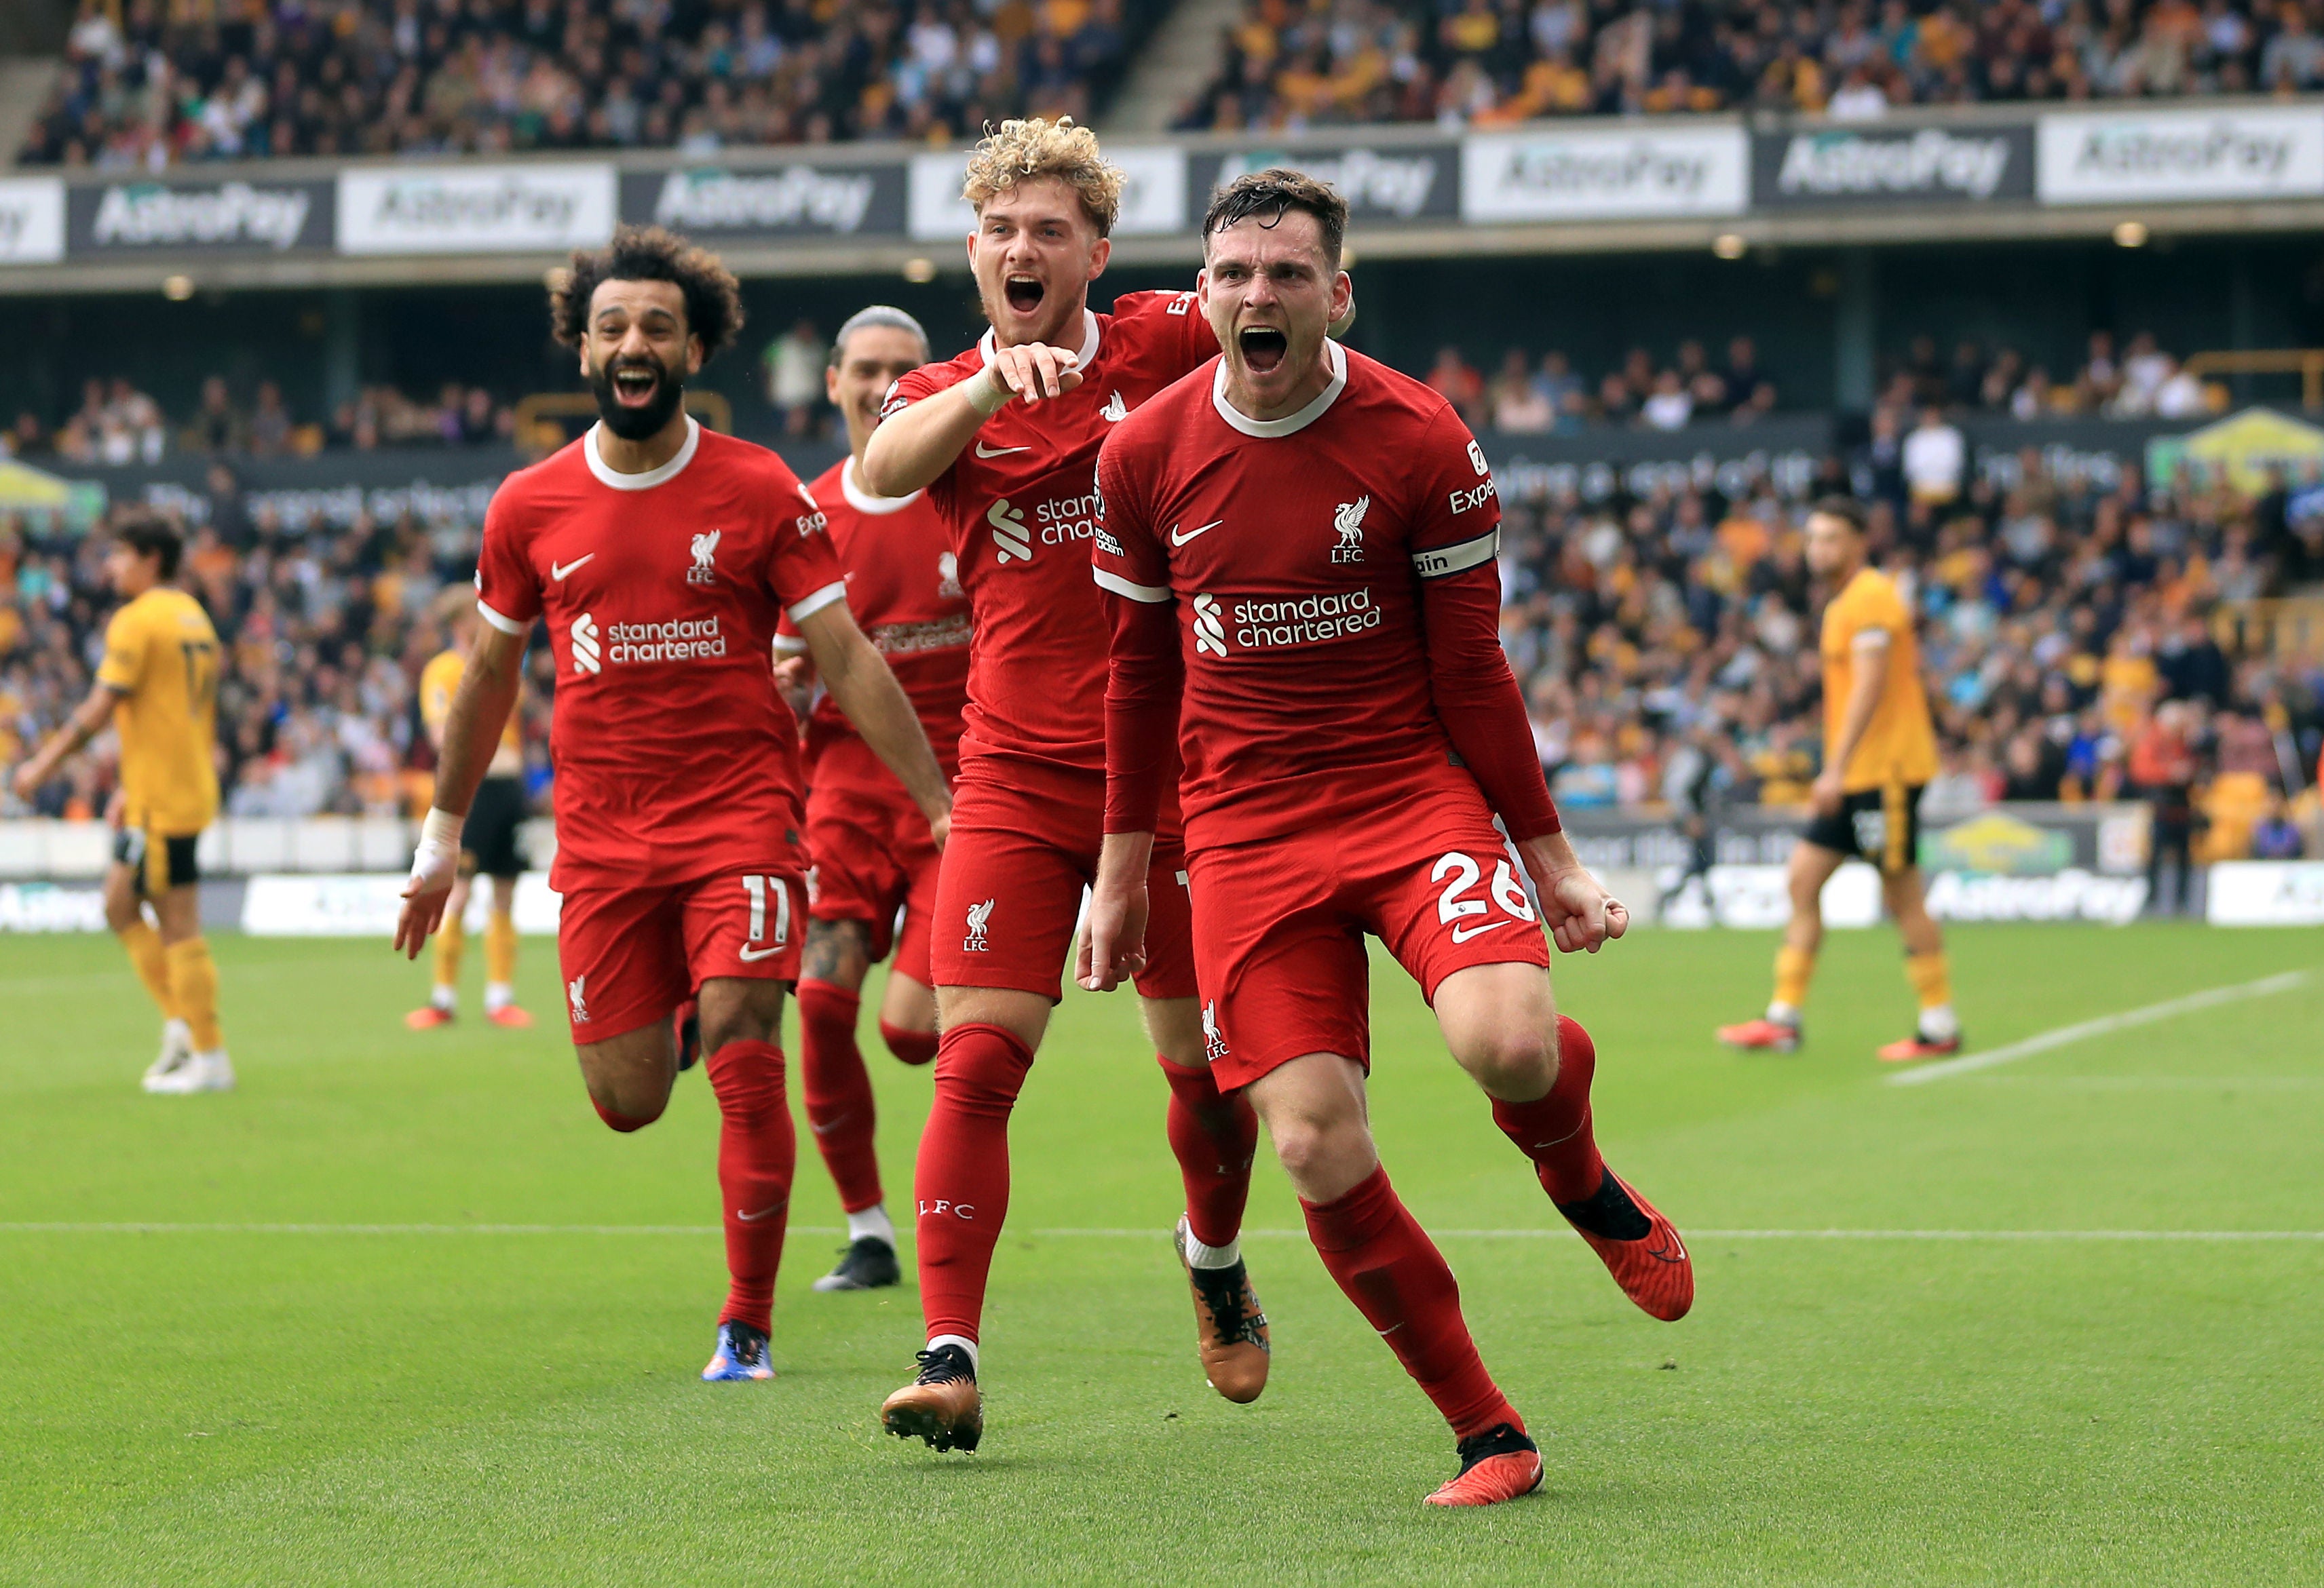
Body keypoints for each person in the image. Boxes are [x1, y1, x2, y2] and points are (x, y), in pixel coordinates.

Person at [1081, 169, 1692, 1509]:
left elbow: (1472, 668)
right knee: (1307, 1141)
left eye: (1286, 275)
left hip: (1403, 795)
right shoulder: (1138, 455)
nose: (1257, 295)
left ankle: (1583, 1184)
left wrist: (1552, 860)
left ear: (1334, 295)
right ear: (1200, 295)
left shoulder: (1419, 438)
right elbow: (1134, 675)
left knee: (1508, 1043)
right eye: (1233, 274)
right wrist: (1119, 880)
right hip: (1239, 831)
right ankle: (1488, 1434)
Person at [394, 226, 951, 1387]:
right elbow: (490, 676)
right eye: (612, 328)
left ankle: (745, 1325)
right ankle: (682, 1009)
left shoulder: (757, 489)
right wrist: (440, 841)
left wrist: (941, 802)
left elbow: (842, 653)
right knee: (628, 1101)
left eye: (656, 326)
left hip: (743, 821)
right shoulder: (529, 504)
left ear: (695, 346)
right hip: (601, 840)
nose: (633, 344)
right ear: (583, 349)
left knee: (754, 1037)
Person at [860, 117, 1297, 1450]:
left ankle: (1213, 1258)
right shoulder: (939, 392)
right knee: (976, 1059)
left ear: (1093, 253)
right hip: (1012, 772)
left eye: (1048, 229)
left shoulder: (1166, 339)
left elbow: (1288, 360)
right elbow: (879, 478)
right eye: (999, 230)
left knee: (1211, 1078)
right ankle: (946, 1353)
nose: (1020, 248)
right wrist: (995, 383)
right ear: (973, 253)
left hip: (1175, 778)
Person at [769, 305, 967, 1294]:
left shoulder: (963, 493)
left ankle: (928, 1208)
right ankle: (869, 1230)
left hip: (961, 797)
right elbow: (786, 668)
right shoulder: (805, 516)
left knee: (911, 1031)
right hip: (843, 793)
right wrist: (783, 684)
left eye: (904, 367)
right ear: (835, 379)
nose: (884, 383)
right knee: (819, 1002)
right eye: (866, 367)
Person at [1717, 496, 1958, 1062]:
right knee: (1802, 881)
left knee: (1901, 895)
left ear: (1858, 542)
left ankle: (1938, 1023)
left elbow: (1871, 686)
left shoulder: (1871, 596)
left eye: (1829, 538)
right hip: (1855, 778)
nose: (1817, 549)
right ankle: (1783, 1017)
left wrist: (1837, 766)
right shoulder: (1841, 604)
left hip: (1883, 774)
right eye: (1811, 538)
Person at [12, 514, 232, 1093]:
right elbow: (175, 711)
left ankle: (210, 1056)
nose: (109, 565)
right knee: (118, 902)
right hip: (165, 787)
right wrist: (130, 786)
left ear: (149, 559)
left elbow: (97, 710)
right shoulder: (193, 615)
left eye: (118, 554)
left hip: (166, 798)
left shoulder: (137, 621)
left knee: (178, 920)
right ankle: (182, 1027)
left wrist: (41, 765)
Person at [406, 588, 533, 1031]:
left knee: (505, 891)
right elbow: (442, 736)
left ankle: (500, 997)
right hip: (474, 789)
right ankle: (442, 998)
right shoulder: (443, 670)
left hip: (508, 788)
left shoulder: (505, 661)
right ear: (462, 622)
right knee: (458, 892)